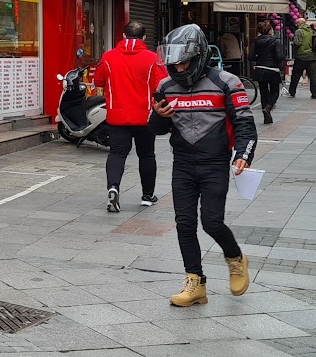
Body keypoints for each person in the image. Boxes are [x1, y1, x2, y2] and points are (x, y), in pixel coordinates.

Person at [150, 24, 258, 308]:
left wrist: (243, 154)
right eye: (174, 63)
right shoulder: (164, 86)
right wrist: (158, 115)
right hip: (183, 164)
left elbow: (245, 124)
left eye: (184, 62)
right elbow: (157, 128)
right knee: (184, 224)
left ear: (198, 57)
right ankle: (195, 282)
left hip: (214, 164)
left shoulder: (227, 82)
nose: (179, 68)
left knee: (211, 222)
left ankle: (235, 258)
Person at [92, 21, 169, 213]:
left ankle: (113, 187)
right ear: (144, 37)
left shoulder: (109, 57)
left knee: (117, 154)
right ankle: (147, 196)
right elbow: (162, 85)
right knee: (147, 155)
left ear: (124, 36)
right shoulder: (153, 59)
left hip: (117, 116)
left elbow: (98, 80)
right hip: (144, 116)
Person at [248, 20, 286, 124]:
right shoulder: (275, 41)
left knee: (264, 92)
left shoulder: (256, 41)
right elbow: (279, 56)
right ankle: (268, 108)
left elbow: (250, 57)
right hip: (273, 69)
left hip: (260, 69)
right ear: (270, 30)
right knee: (275, 92)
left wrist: (258, 59)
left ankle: (266, 116)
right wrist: (279, 61)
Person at [288, 21, 316, 99]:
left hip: (301, 56)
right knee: (313, 76)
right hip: (312, 56)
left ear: (299, 24)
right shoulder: (312, 31)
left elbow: (297, 43)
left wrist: (292, 44)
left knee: (296, 75)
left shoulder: (299, 31)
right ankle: (315, 94)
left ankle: (292, 92)